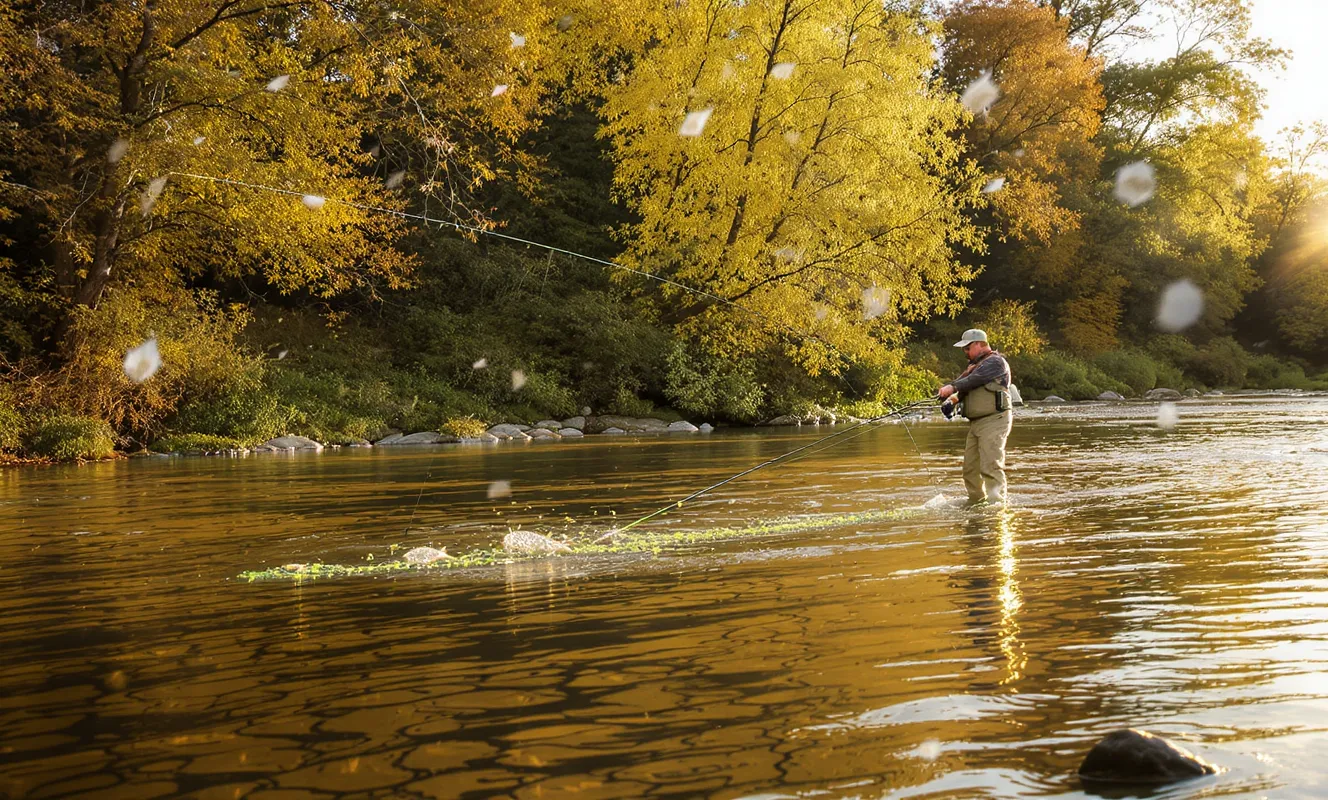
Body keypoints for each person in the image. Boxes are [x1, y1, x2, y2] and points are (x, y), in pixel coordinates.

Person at [938, 329, 1013, 504]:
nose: (965, 352)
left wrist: (952, 387)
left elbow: (974, 380)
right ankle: (976, 503)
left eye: (967, 348)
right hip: (976, 424)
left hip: (995, 420)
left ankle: (997, 506)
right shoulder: (974, 367)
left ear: (979, 344)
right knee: (970, 469)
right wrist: (952, 401)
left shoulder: (996, 362)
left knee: (990, 465)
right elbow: (966, 386)